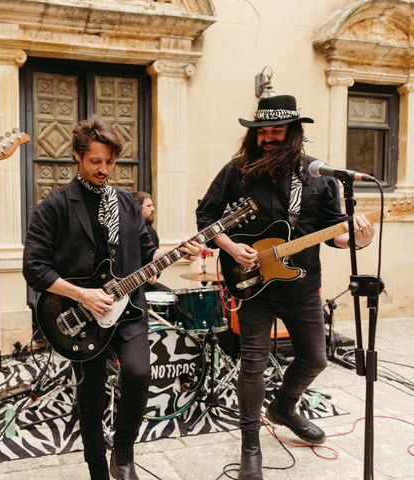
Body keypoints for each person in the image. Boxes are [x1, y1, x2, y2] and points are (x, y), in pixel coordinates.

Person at [195, 94, 375, 480]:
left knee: (316, 358)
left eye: (276, 130)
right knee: (253, 365)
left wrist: (358, 239)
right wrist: (229, 245)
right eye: (262, 131)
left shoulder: (319, 176)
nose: (268, 137)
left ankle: (284, 408)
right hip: (251, 283)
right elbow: (206, 216)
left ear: (294, 131)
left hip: (302, 285)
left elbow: (333, 234)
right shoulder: (237, 171)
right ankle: (250, 449)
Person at [23, 116, 199, 480]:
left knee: (138, 373)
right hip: (80, 315)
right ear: (77, 157)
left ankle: (122, 455)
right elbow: (34, 268)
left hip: (130, 308)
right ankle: (96, 471)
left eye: (110, 162)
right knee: (91, 397)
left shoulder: (128, 204)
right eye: (95, 162)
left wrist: (178, 253)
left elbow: (149, 253)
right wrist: (81, 295)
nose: (104, 170)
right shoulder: (54, 206)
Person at [131, 191, 170, 293]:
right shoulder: (125, 231)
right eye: (149, 206)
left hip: (146, 285)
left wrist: (154, 275)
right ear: (138, 209)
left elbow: (157, 265)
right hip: (126, 286)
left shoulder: (152, 232)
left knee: (173, 299)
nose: (153, 209)